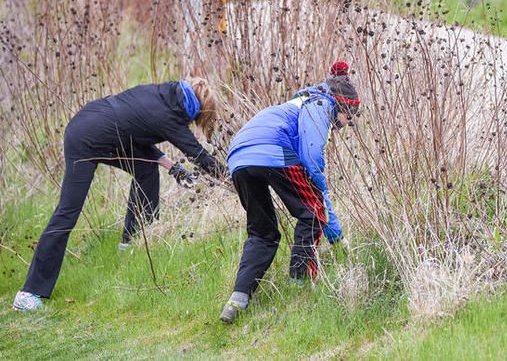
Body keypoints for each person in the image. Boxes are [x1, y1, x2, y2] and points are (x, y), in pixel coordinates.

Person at [12, 78, 227, 311]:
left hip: (99, 127)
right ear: (195, 112)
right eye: (196, 121)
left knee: (145, 170)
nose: (191, 124)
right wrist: (234, 180)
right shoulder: (169, 116)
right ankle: (29, 292)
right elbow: (200, 157)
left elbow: (136, 136)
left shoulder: (161, 95)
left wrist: (172, 167)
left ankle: (130, 243)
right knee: (68, 212)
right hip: (86, 139)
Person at [219, 61, 360, 323]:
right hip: (273, 151)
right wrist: (336, 234)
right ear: (342, 105)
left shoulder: (297, 103)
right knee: (312, 212)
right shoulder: (320, 104)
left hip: (238, 157)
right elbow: (311, 157)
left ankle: (238, 298)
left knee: (262, 232)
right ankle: (300, 286)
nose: (347, 123)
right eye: (349, 116)